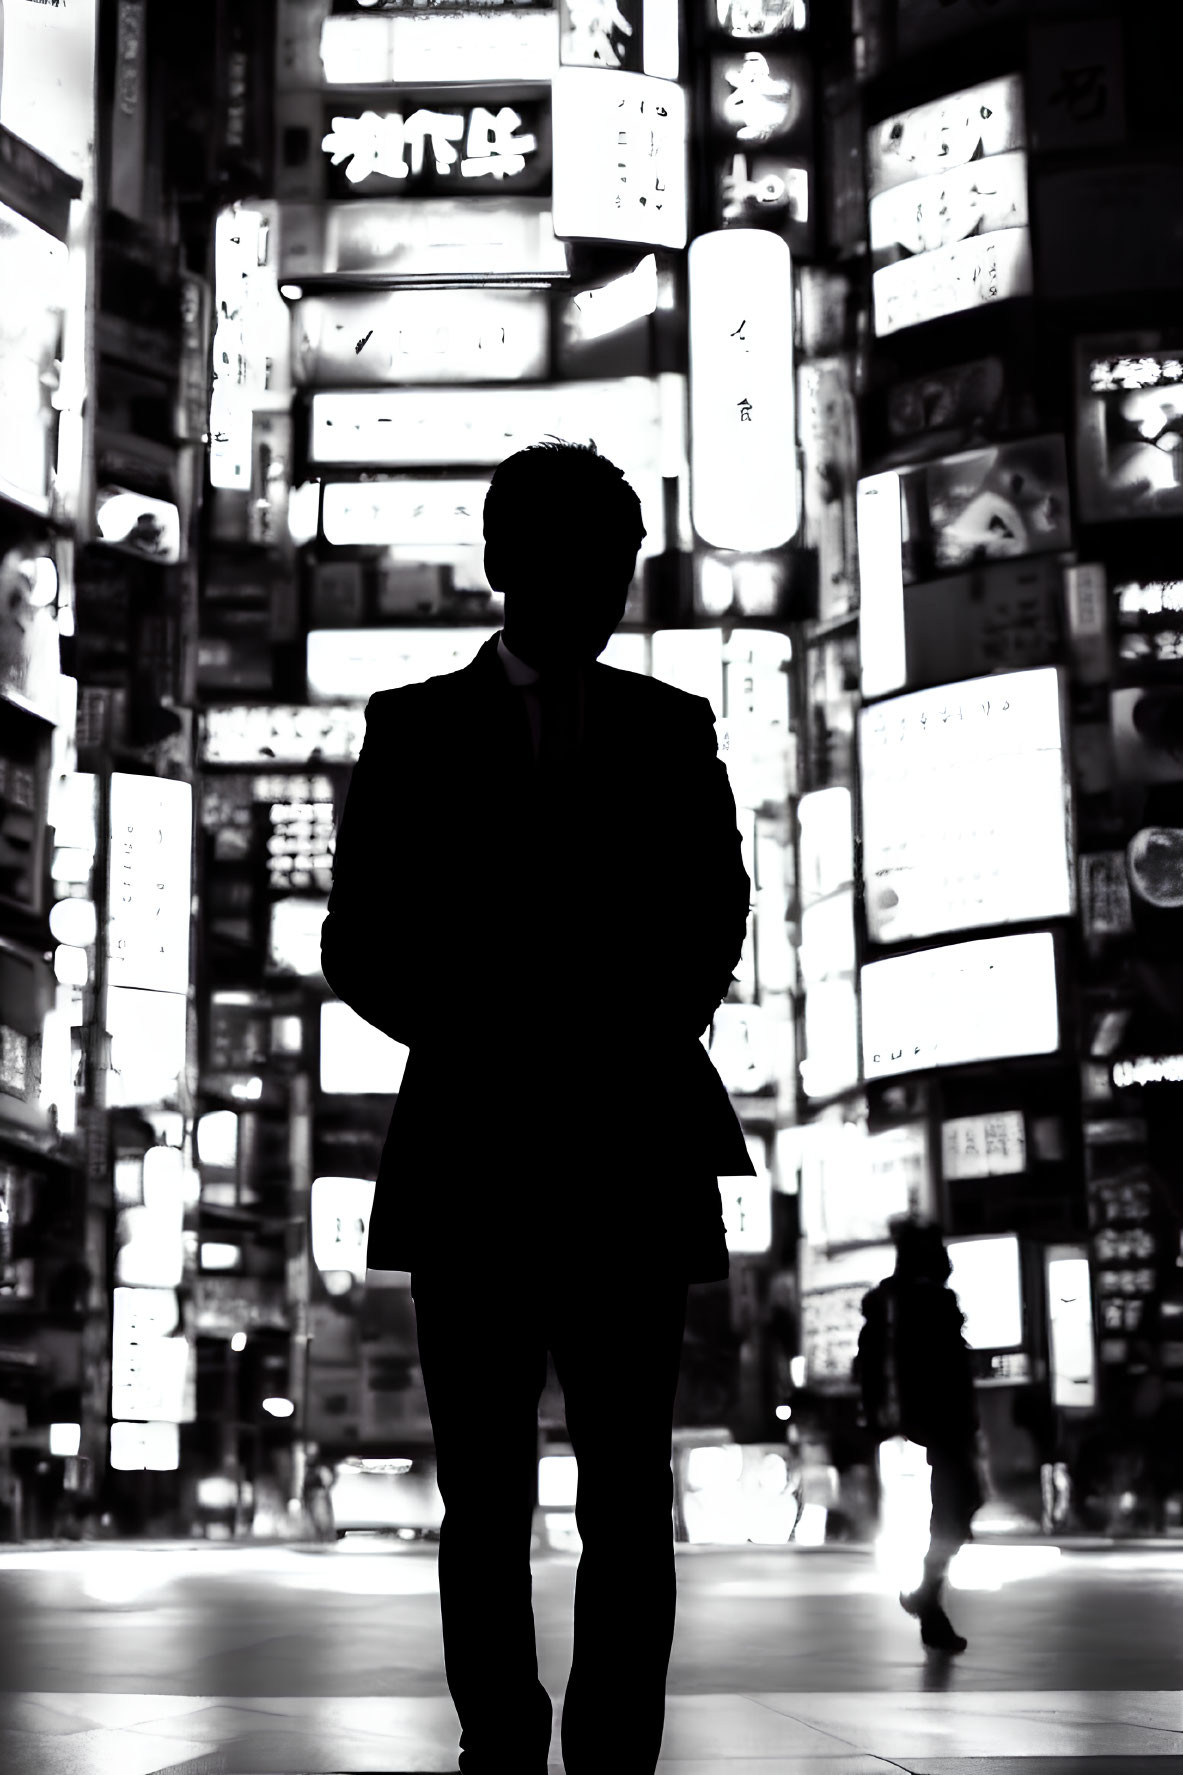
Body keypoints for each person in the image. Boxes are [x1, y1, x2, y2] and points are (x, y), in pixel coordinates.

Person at [320, 439, 753, 1775]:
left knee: (629, 1487)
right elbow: (360, 940)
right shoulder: (412, 726)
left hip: (625, 1135)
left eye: (616, 560)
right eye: (571, 555)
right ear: (502, 564)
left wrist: (629, 1025)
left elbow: (714, 912)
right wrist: (481, 1028)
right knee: (483, 1490)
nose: (599, 584)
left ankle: (616, 1743)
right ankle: (499, 1733)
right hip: (477, 1144)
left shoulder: (670, 725)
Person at [853, 1218, 982, 1654]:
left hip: (898, 1426)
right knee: (955, 1510)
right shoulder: (934, 1301)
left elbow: (867, 1366)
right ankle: (928, 1599)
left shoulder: (883, 1302)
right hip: (942, 1426)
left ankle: (929, 1604)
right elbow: (952, 1371)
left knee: (951, 1512)